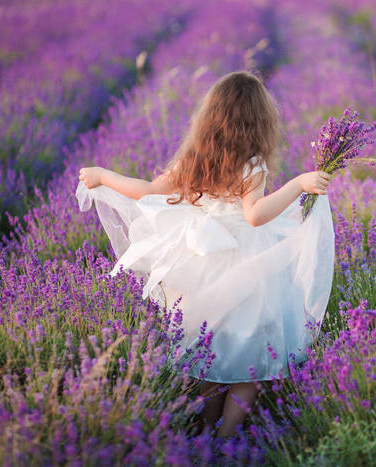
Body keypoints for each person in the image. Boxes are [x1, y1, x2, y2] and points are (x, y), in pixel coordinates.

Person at [76, 71, 334, 437]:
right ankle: (228, 437)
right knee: (253, 356)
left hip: (204, 265)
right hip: (246, 263)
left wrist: (103, 175)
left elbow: (147, 190)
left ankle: (206, 431)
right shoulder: (253, 164)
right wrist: (299, 184)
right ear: (260, 122)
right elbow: (255, 216)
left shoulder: (195, 158)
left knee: (212, 351)